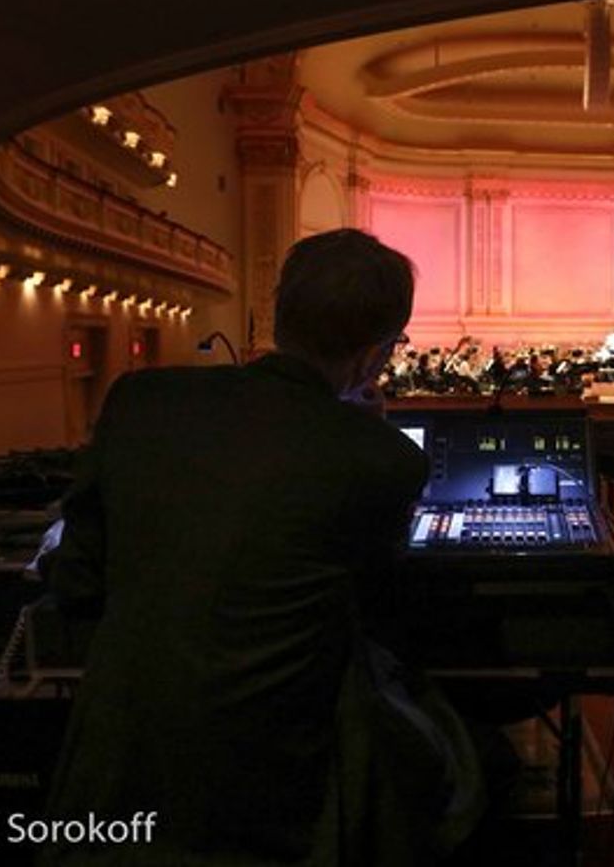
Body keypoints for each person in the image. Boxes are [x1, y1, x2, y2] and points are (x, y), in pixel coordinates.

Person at [38, 228, 482, 866]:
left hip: (111, 777)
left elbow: (78, 582)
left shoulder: (140, 402)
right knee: (464, 766)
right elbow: (375, 618)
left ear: (278, 315)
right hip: (269, 793)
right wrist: (370, 437)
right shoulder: (382, 459)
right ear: (376, 356)